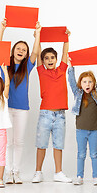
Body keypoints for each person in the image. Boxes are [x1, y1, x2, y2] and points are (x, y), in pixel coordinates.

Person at [0, 19, 39, 184]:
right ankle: (8, 173)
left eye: (24, 49)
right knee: (7, 142)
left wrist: (38, 34)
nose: (21, 51)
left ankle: (16, 172)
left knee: (19, 141)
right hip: (5, 108)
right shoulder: (4, 64)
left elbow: (35, 52)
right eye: (18, 48)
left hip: (22, 109)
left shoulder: (27, 66)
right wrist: (2, 29)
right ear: (13, 50)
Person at [32, 23, 73, 183]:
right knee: (41, 144)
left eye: (52, 58)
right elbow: (39, 49)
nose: (50, 60)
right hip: (45, 114)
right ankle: (38, 172)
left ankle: (58, 172)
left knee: (58, 144)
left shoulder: (62, 70)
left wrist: (66, 38)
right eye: (46, 58)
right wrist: (38, 36)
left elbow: (65, 53)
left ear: (56, 60)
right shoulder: (41, 71)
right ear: (43, 61)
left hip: (60, 115)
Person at [68, 56, 97, 186]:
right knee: (81, 154)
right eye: (84, 82)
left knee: (94, 154)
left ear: (93, 83)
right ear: (81, 84)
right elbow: (71, 81)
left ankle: (95, 177)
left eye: (90, 82)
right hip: (81, 130)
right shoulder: (78, 93)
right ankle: (80, 176)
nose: (87, 84)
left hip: (94, 130)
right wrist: (70, 67)